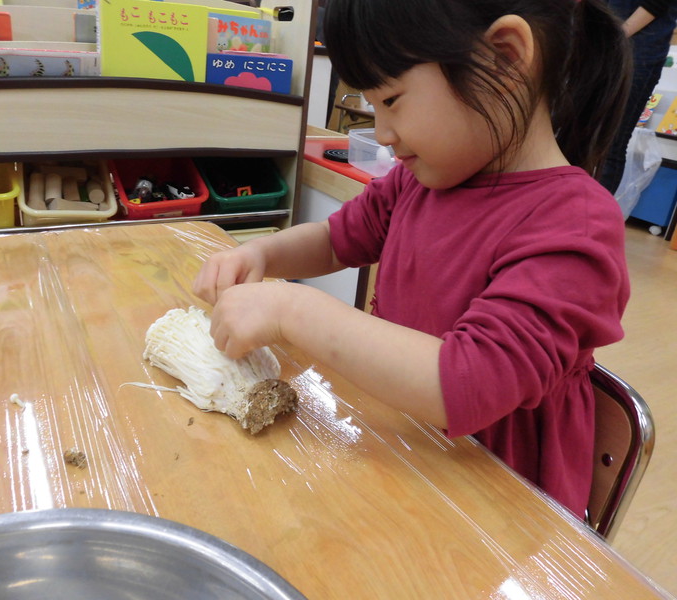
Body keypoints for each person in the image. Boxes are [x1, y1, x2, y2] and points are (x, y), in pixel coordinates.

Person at [192, 0, 632, 519]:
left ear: (505, 59)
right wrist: (262, 250)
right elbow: (336, 241)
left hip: (487, 505)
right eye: (371, 104)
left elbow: (469, 381)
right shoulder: (419, 180)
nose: (381, 132)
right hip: (398, 452)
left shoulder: (574, 225)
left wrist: (293, 311)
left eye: (394, 100)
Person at [600, 0, 677, 194]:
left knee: (612, 144)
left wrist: (616, 35)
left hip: (637, 51)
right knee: (578, 136)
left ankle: (594, 219)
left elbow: (655, 5)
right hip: (601, 44)